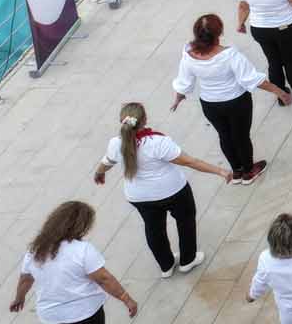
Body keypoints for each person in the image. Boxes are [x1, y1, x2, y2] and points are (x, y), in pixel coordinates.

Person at [92, 102, 228, 276]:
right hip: (173, 191)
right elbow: (189, 161)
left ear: (122, 121)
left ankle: (166, 266)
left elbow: (108, 161)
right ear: (145, 120)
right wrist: (219, 170)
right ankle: (188, 260)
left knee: (153, 228)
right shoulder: (158, 142)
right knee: (185, 222)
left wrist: (99, 173)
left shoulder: (115, 143)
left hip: (139, 197)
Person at [171, 12, 290, 185]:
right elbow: (251, 79)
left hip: (210, 104)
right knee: (241, 136)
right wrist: (279, 92)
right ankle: (249, 171)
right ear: (218, 33)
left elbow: (184, 82)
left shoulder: (188, 54)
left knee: (224, 136)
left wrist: (177, 98)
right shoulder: (229, 55)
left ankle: (236, 171)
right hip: (236, 102)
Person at [11, 201, 139, 323]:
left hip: (51, 316)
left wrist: (19, 298)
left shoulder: (35, 250)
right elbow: (104, 279)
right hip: (84, 313)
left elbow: (25, 279)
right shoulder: (82, 250)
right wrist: (126, 298)